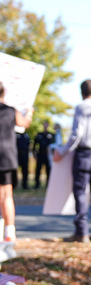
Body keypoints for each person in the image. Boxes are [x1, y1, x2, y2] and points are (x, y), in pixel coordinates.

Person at [53, 79, 91, 243]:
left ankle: (82, 232)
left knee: (80, 192)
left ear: (82, 92)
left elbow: (77, 133)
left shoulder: (81, 107)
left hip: (84, 154)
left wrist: (63, 152)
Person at [0, 82, 32, 242]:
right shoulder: (11, 111)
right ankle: (9, 233)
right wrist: (30, 113)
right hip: (6, 157)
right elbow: (24, 123)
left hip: (6, 157)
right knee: (6, 196)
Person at [33, 119, 56, 189]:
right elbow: (34, 145)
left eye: (46, 124)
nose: (45, 125)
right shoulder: (39, 134)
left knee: (48, 170)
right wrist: (34, 154)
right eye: (44, 124)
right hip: (40, 154)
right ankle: (37, 184)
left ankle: (48, 184)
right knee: (38, 170)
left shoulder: (51, 135)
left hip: (47, 155)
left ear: (48, 125)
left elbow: (54, 145)